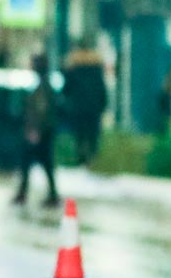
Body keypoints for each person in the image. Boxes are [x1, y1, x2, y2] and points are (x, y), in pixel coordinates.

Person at [14, 53, 62, 206]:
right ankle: (30, 193)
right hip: (41, 132)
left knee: (34, 163)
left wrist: (35, 131)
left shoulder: (43, 87)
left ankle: (45, 195)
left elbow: (41, 111)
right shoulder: (44, 85)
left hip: (40, 133)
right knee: (39, 164)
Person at [61, 41, 108, 165]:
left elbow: (66, 89)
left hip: (78, 107)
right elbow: (102, 89)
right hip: (94, 107)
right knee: (93, 135)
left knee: (79, 135)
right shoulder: (97, 68)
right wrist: (103, 104)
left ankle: (81, 159)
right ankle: (92, 159)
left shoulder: (73, 68)